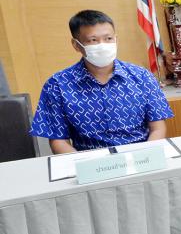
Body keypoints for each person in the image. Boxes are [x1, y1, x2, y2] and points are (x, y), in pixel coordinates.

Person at [30, 9, 173, 154]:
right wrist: (83, 163)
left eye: (108, 38)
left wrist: (146, 157)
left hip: (141, 155)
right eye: (93, 40)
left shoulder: (142, 76)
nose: (102, 45)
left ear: (116, 39)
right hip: (89, 159)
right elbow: (58, 140)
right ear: (76, 45)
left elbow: (158, 128)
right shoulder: (57, 85)